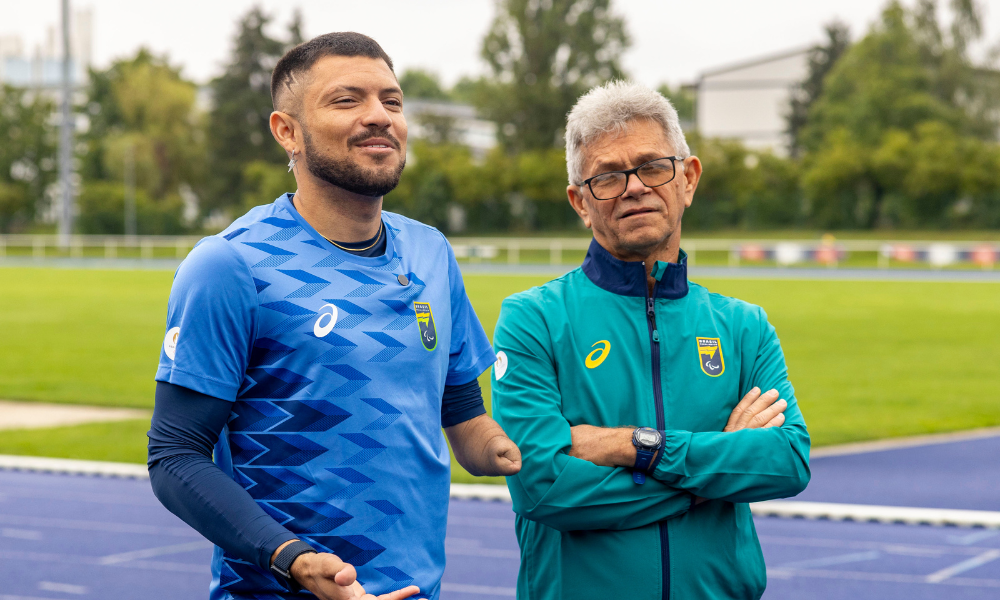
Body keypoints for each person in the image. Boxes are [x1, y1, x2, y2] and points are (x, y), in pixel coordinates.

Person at [147, 32, 521, 600]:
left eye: (391, 101)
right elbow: (175, 456)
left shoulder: (431, 253)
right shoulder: (230, 265)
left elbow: (460, 412)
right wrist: (292, 561)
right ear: (286, 131)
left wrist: (526, 446)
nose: (379, 117)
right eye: (347, 100)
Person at [490, 81, 811, 600]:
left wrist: (633, 447)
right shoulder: (534, 320)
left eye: (652, 167)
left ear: (688, 178)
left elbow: (787, 462)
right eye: (607, 177)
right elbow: (544, 488)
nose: (634, 187)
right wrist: (716, 471)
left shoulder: (744, 325)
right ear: (580, 202)